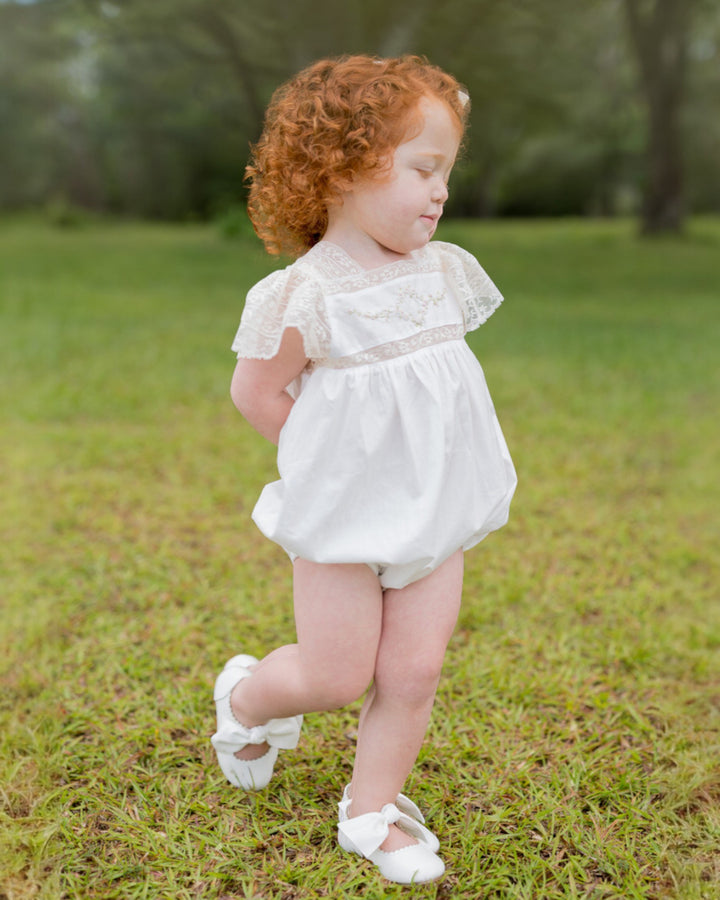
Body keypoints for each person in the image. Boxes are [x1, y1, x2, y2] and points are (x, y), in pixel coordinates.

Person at [211, 54, 517, 885]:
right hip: (349, 519)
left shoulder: (442, 272)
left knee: (413, 672)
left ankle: (371, 811)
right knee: (336, 674)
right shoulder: (304, 294)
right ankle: (246, 699)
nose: (439, 191)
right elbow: (258, 390)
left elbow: (437, 398)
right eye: (424, 169)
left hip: (436, 512)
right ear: (342, 167)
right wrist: (334, 470)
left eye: (445, 172)